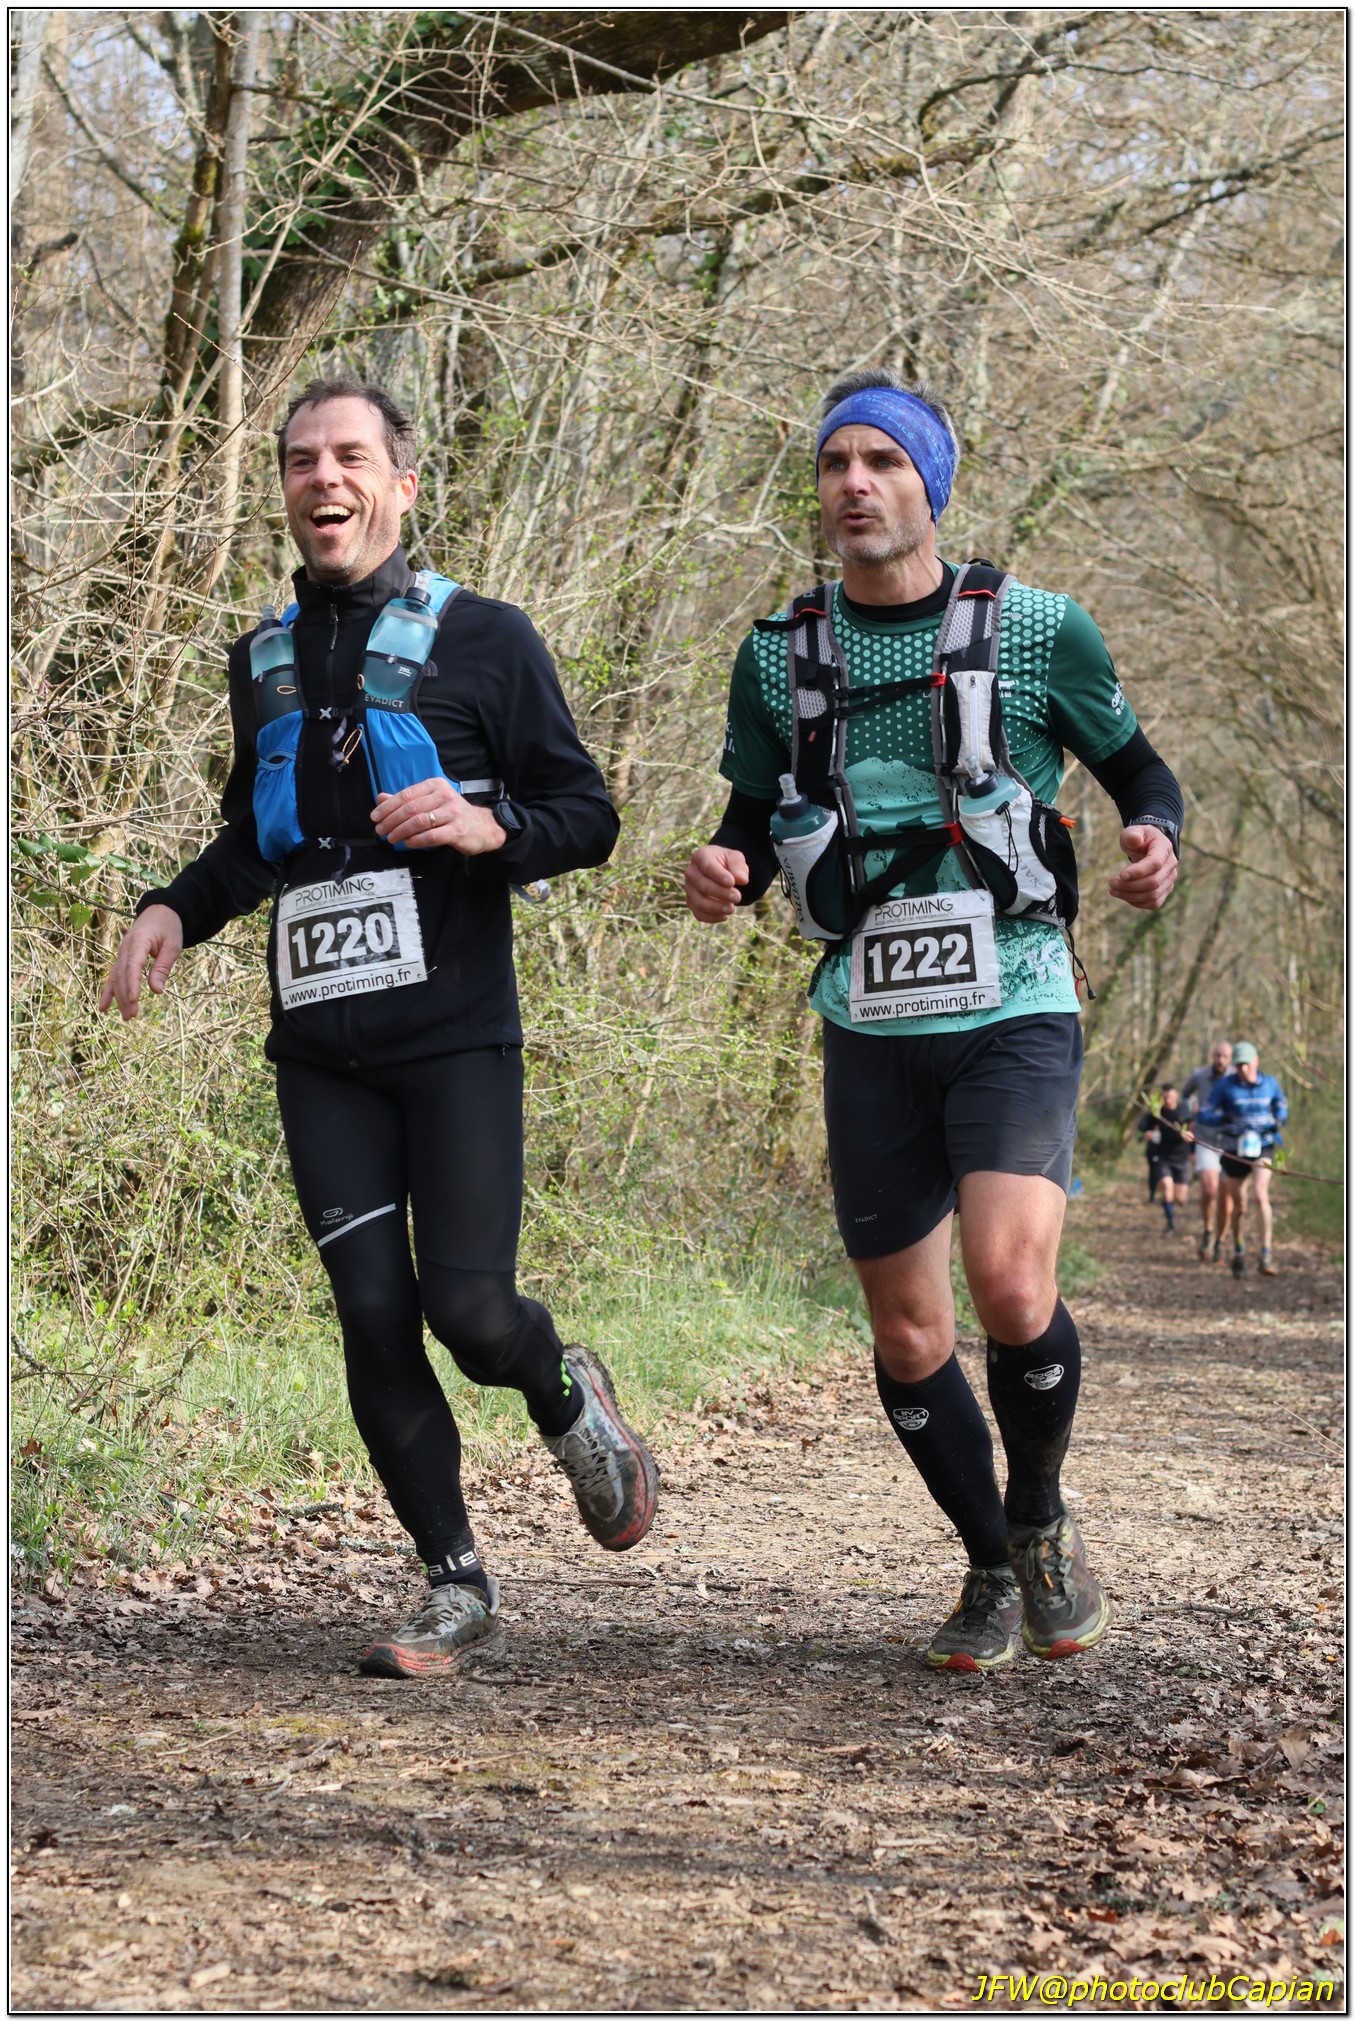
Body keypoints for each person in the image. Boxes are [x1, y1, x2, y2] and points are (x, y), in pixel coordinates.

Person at [101, 377, 658, 1677]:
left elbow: (586, 815)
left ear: (399, 484)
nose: (323, 477)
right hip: (321, 1054)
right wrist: (172, 908)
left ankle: (564, 1391)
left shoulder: (487, 639)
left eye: (349, 456)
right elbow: (256, 841)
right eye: (302, 459)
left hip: (455, 1037)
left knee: (468, 1310)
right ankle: (452, 1581)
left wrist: (487, 825)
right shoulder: (260, 661)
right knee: (369, 1311)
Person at [684, 368, 1183, 1671]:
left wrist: (1153, 839)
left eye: (882, 462)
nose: (853, 484)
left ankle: (1039, 1514)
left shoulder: (1038, 630)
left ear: (930, 486)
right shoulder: (776, 654)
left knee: (1009, 1285)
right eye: (834, 464)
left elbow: (1139, 772)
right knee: (907, 1333)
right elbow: (750, 817)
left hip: (1014, 995)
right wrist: (724, 868)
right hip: (866, 1016)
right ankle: (986, 1561)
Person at [1196, 1041, 1287, 1278]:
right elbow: (1204, 1113)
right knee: (1239, 1205)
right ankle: (1239, 1249)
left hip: (1263, 1146)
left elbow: (1281, 1104)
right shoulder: (1225, 1086)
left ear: (1256, 1061)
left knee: (1260, 1194)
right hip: (1233, 1149)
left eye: (1246, 1064)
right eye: (1238, 1065)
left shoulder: (1270, 1083)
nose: (1242, 1069)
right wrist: (1221, 1119)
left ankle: (1266, 1253)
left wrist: (1279, 1118)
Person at [1181, 1039, 1233, 1261]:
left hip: (1230, 1142)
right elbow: (1184, 1095)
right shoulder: (1200, 1076)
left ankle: (1220, 1240)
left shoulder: (1236, 1077)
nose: (1220, 1060)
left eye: (1225, 1056)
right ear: (1212, 1056)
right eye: (1217, 1055)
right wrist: (1188, 1120)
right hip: (1205, 1139)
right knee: (1210, 1190)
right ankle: (1208, 1230)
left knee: (1226, 1198)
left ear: (1230, 1059)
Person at [1137, 1083, 1191, 1232]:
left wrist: (1190, 1136)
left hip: (1181, 1157)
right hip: (1163, 1156)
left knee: (1180, 1198)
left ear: (1176, 1096)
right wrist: (1146, 1134)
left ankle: (1174, 1202)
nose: (1168, 1101)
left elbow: (1193, 1127)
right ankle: (1170, 1224)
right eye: (1165, 1098)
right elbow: (1142, 1129)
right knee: (1167, 1187)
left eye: (1170, 1097)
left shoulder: (1184, 1110)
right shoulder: (1156, 1113)